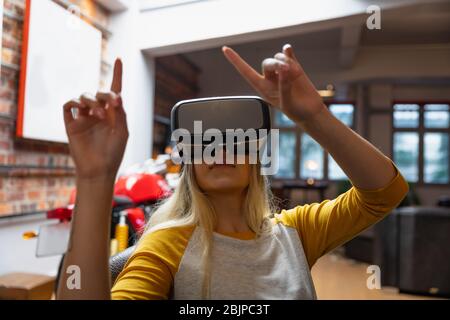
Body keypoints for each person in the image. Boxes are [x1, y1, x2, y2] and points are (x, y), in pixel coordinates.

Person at [57, 44, 408, 300]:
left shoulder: (297, 233)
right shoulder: (167, 243)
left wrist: (313, 116)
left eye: (236, 141)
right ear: (190, 163)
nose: (222, 151)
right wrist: (94, 180)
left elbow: (384, 192)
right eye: (206, 143)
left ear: (255, 160)